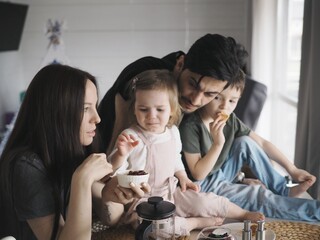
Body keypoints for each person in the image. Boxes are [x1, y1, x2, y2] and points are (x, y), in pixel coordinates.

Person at [0, 64, 150, 240]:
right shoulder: (26, 166)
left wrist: (108, 195)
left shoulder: (73, 151)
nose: (97, 118)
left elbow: (113, 218)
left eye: (95, 106)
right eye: (85, 108)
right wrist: (82, 180)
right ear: (56, 112)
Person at [109, 69, 265, 236]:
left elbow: (176, 159)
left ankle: (242, 214)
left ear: (171, 109)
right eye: (143, 109)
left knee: (205, 201)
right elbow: (115, 173)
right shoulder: (131, 136)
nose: (151, 116)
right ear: (134, 109)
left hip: (171, 192)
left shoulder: (173, 132)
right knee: (157, 230)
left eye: (159, 110)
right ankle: (194, 222)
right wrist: (120, 154)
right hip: (143, 204)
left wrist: (183, 177)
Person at [178, 68, 320, 222]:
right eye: (218, 98)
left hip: (220, 173)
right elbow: (198, 174)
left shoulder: (230, 119)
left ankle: (282, 189)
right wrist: (218, 144)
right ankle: (315, 211)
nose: (224, 106)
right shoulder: (190, 126)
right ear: (209, 94)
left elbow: (262, 143)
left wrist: (292, 170)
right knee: (257, 195)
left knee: (245, 142)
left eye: (232, 101)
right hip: (203, 185)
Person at [98, 33, 246, 155]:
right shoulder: (147, 78)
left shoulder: (205, 97)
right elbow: (119, 142)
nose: (195, 99)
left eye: (210, 94)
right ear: (180, 64)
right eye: (192, 85)